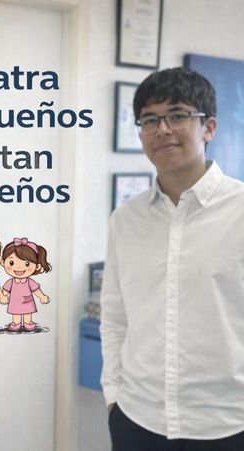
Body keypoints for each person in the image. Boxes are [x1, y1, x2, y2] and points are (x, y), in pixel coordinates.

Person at [100, 67, 244, 450]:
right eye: (149, 120)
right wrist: (113, 394)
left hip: (227, 424)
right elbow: (114, 317)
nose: (162, 129)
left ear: (209, 127)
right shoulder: (126, 219)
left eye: (177, 115)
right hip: (137, 419)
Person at [0, 238, 51, 332]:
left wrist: (42, 296)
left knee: (28, 312)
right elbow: (5, 291)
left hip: (27, 301)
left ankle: (28, 323)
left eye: (27, 264)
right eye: (12, 262)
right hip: (15, 301)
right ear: (3, 262)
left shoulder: (29, 282)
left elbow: (36, 290)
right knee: (16, 313)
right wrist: (2, 296)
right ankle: (16, 323)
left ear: (37, 266)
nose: (19, 267)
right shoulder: (11, 282)